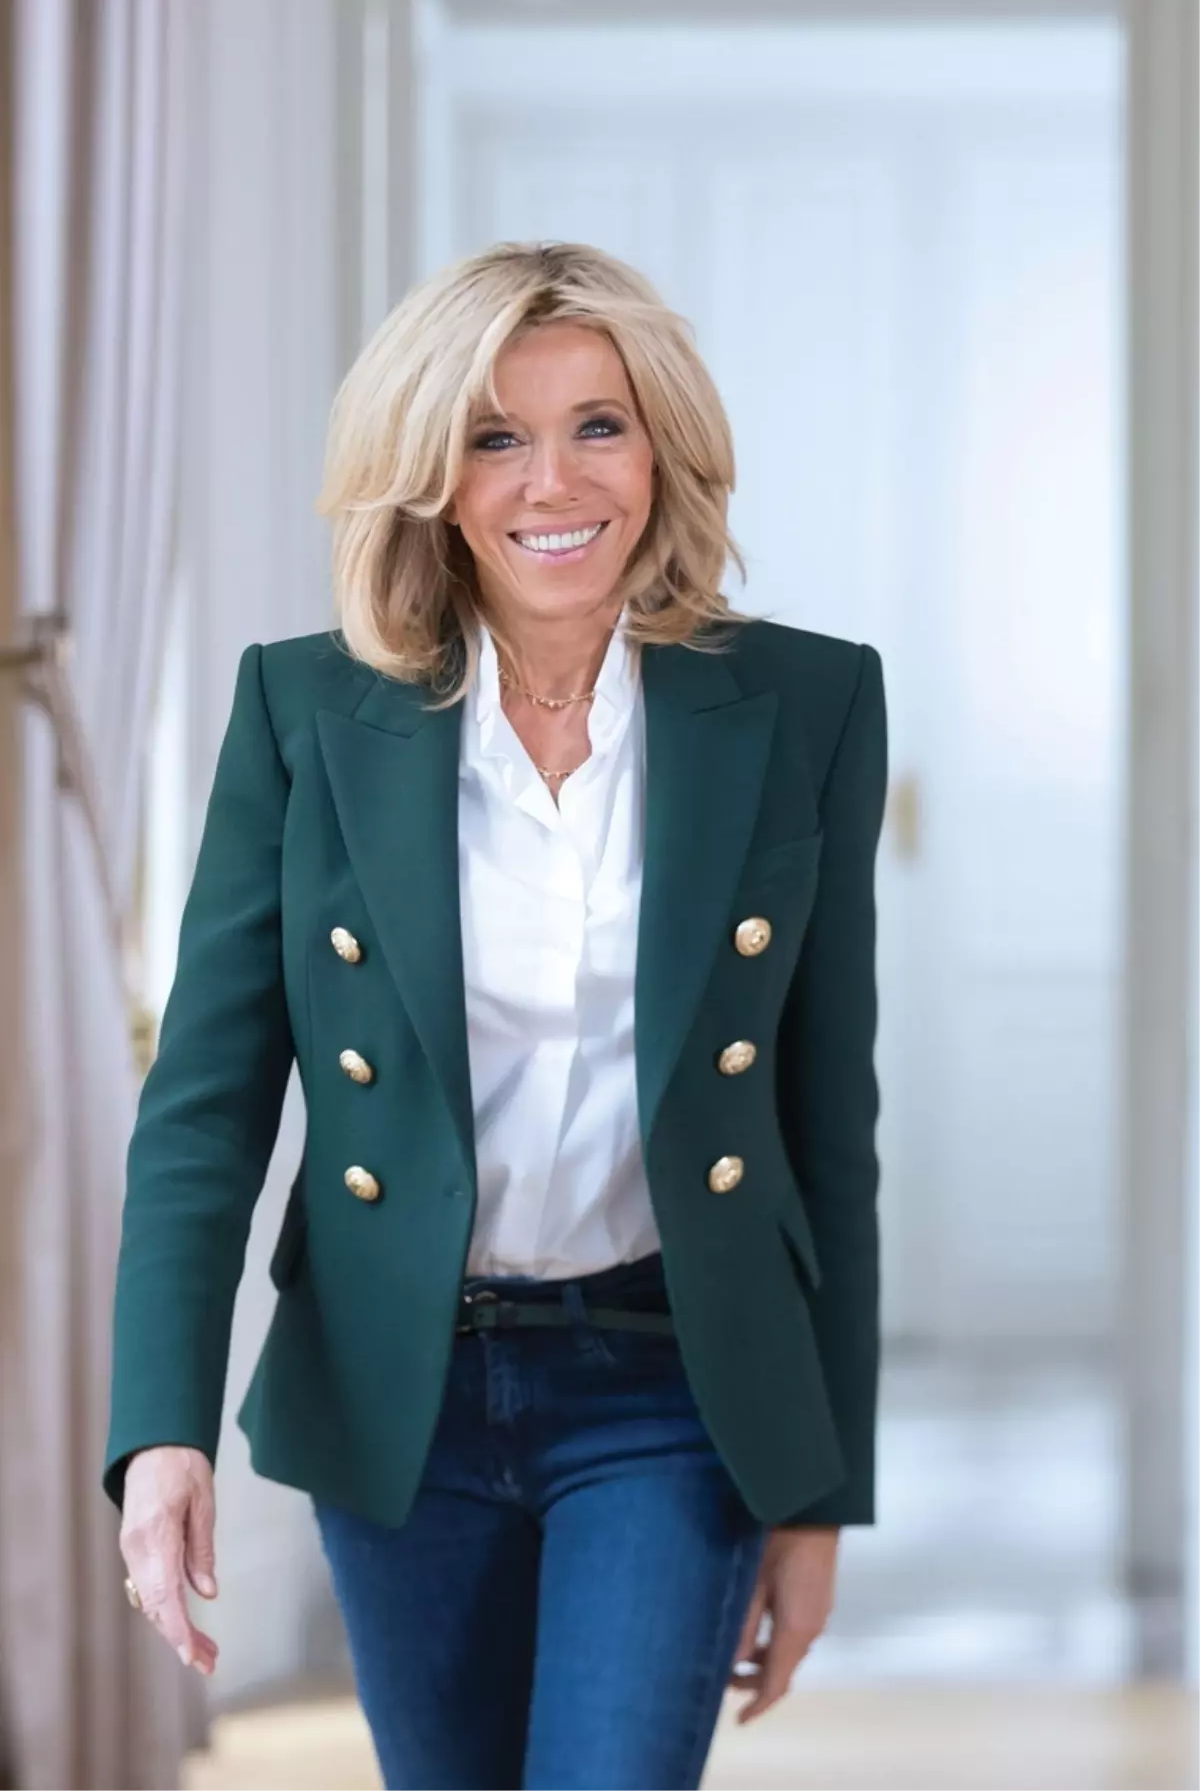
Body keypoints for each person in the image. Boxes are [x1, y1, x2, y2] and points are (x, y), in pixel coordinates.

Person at [103, 240, 888, 1791]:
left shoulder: (807, 706)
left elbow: (825, 1126)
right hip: (399, 1388)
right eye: (494, 436)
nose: (554, 482)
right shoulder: (303, 713)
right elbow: (204, 1110)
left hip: (671, 1385)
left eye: (600, 425)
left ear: (661, 450)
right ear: (429, 476)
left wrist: (820, 1497)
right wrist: (159, 1431)